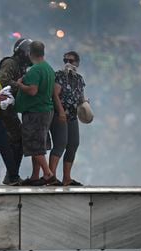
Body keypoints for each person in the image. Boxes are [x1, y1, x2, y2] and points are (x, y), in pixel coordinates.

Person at [15, 41, 65, 186]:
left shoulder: (35, 70)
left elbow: (32, 90)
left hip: (35, 111)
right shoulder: (48, 68)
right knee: (38, 143)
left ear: (30, 53)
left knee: (34, 144)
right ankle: (35, 176)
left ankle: (48, 174)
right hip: (45, 110)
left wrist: (19, 85)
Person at [0, 38, 32, 184]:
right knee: (16, 141)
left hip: (11, 109)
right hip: (4, 109)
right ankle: (12, 176)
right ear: (22, 52)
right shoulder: (10, 63)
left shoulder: (21, 66)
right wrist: (20, 85)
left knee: (17, 141)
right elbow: (3, 81)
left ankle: (11, 175)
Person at [50, 51, 86, 186]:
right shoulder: (59, 75)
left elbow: (80, 96)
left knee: (73, 144)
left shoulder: (79, 79)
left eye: (71, 61)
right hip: (60, 115)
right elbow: (55, 95)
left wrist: (85, 104)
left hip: (72, 115)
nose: (68, 63)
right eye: (65, 60)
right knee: (60, 144)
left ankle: (67, 178)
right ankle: (51, 176)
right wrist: (60, 112)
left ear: (77, 63)